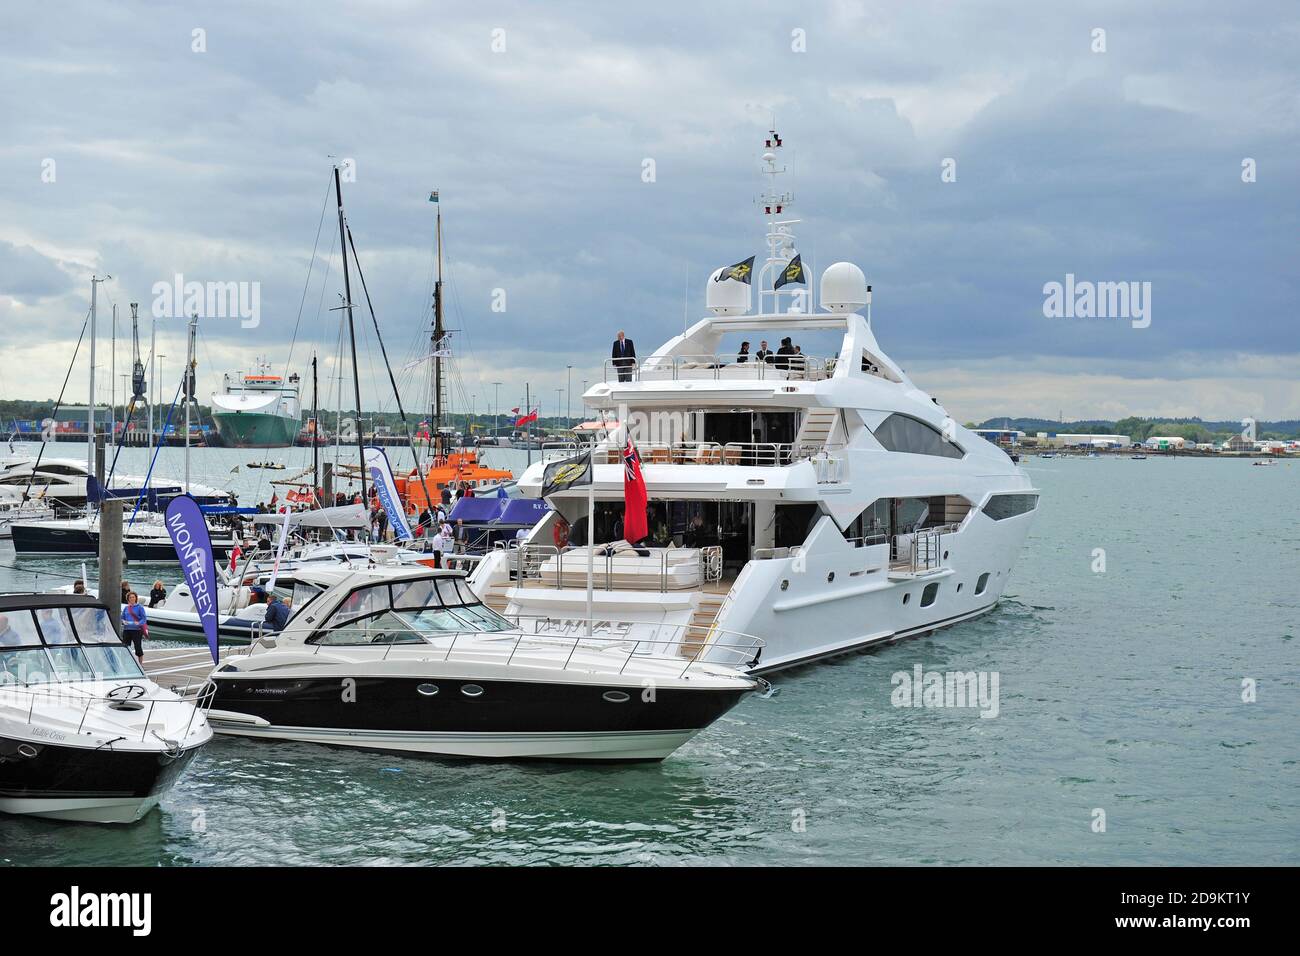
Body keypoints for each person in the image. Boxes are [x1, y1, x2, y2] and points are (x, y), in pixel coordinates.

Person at [121, 592, 147, 664]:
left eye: (133, 597)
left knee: (138, 647)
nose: (132, 598)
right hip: (127, 630)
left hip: (137, 630)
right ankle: (125, 663)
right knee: (125, 647)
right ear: (128, 599)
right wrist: (123, 621)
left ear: (136, 598)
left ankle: (140, 664)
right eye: (130, 597)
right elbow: (122, 618)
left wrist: (138, 623)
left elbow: (144, 619)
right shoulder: (126, 608)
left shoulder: (140, 607)